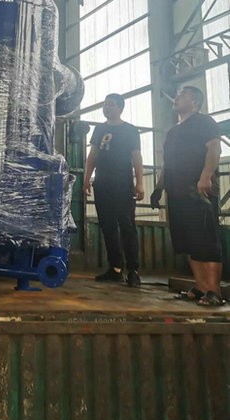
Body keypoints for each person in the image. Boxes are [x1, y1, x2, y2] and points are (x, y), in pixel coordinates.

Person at [150, 86, 222, 307]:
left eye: (183, 95)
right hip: (176, 192)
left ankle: (214, 291)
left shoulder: (204, 122)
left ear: (195, 103)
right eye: (178, 93)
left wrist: (205, 176)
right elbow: (167, 163)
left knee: (205, 239)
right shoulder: (173, 132)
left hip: (198, 190)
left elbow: (214, 149)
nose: (177, 97)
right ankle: (201, 287)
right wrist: (159, 187)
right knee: (188, 241)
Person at [83, 94, 144, 287]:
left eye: (111, 105)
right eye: (105, 104)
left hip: (123, 184)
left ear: (120, 108)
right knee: (108, 226)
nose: (106, 108)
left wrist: (140, 183)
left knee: (127, 226)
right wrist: (86, 180)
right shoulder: (99, 129)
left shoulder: (130, 130)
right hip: (102, 183)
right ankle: (115, 268)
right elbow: (92, 155)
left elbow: (137, 157)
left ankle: (133, 270)